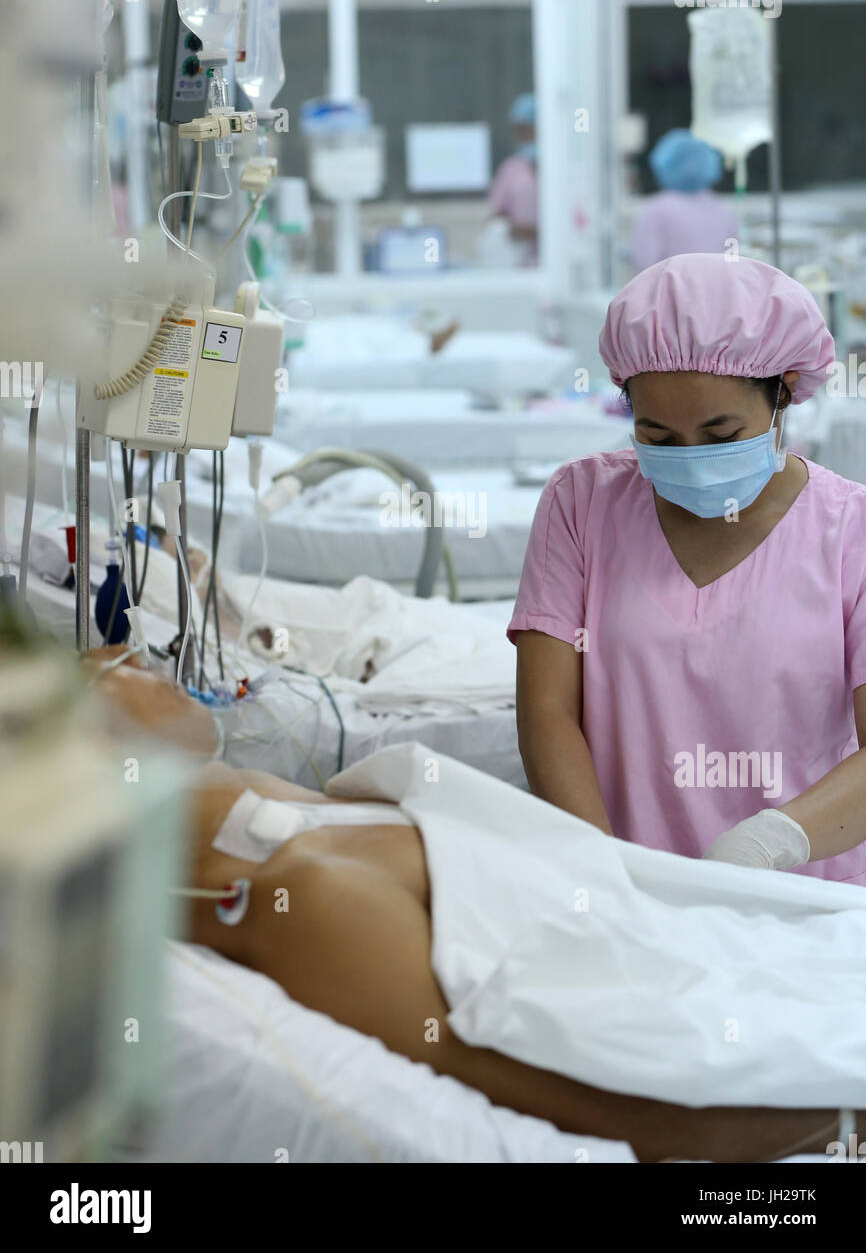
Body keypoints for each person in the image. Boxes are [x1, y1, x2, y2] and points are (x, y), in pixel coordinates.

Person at [88, 648, 865, 1163]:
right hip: (761, 1015)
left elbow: (177, 726)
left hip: (749, 953)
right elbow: (615, 1109)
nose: (123, 666)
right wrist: (838, 1127)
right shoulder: (312, 897)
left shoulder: (248, 813)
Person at [510, 253, 866, 884]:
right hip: (629, 888)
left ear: (783, 389)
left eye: (722, 434)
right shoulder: (581, 504)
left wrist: (770, 842)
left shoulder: (849, 531)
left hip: (808, 902)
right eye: (660, 438)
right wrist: (607, 873)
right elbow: (548, 712)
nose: (692, 459)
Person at [630, 129, 739, 274]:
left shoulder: (656, 210)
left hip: (670, 294)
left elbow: (644, 263)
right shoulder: (723, 211)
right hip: (717, 293)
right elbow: (733, 263)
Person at [488, 92, 538, 266]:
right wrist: (511, 229)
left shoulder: (560, 169)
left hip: (558, 263)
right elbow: (496, 216)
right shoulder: (511, 169)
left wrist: (537, 232)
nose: (520, 136)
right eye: (517, 130)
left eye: (525, 129)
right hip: (520, 263)